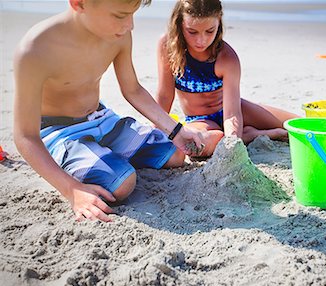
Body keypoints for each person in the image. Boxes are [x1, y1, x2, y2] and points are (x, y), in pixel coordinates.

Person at [13, 0, 204, 222]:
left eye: (133, 14)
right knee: (123, 183)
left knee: (175, 154)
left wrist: (175, 130)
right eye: (120, 15)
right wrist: (72, 190)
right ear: (79, 3)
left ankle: (106, 154)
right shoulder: (35, 50)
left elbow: (132, 89)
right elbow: (24, 135)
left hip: (103, 118)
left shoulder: (119, 35)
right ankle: (87, 162)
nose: (130, 25)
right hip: (61, 132)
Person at [156, 0, 299, 157]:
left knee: (298, 126)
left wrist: (233, 140)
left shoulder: (227, 57)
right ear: (179, 23)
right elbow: (165, 95)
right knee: (194, 146)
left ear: (219, 22)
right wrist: (154, 130)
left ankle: (245, 134)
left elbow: (232, 114)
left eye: (210, 31)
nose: (201, 40)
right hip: (200, 120)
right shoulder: (168, 46)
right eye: (192, 32)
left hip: (233, 109)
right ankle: (250, 135)